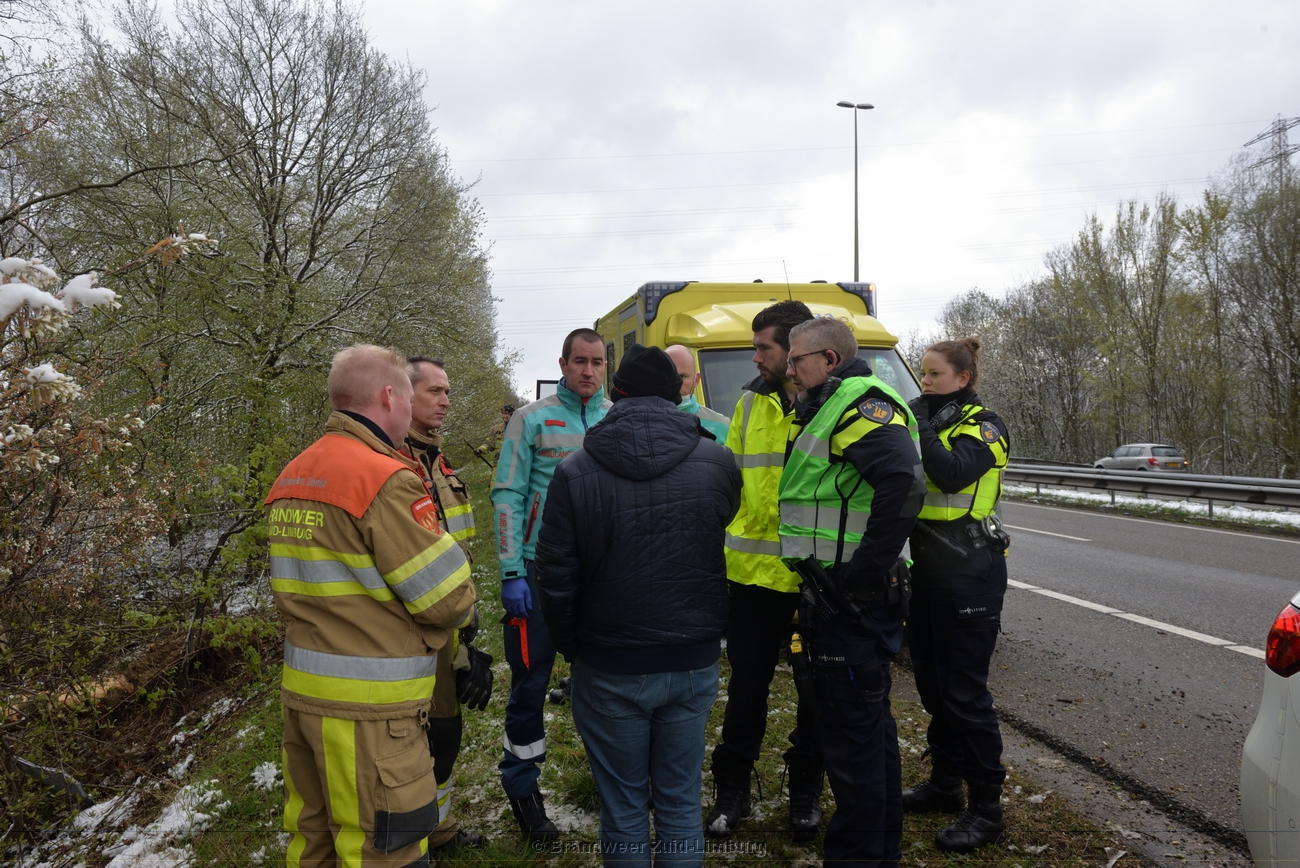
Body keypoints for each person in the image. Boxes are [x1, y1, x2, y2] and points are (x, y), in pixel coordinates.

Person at [266, 344, 477, 868]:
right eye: (409, 396)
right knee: (385, 851)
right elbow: (448, 600)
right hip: (373, 714)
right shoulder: (384, 478)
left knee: (313, 843)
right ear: (389, 396)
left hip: (304, 699)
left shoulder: (294, 473)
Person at [534, 344, 742, 867]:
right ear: (678, 394)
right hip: (690, 656)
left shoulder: (575, 470)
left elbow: (555, 575)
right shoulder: (718, 461)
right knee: (680, 801)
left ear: (615, 391)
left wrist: (574, 648)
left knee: (624, 807)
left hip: (610, 661)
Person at [777, 317, 925, 868]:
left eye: (797, 360)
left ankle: (858, 856)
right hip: (840, 594)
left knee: (851, 740)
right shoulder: (831, 403)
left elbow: (904, 482)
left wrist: (861, 574)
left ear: (829, 360)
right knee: (867, 731)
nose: (790, 370)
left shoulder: (861, 403)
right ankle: (878, 851)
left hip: (851, 600)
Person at [705, 300, 828, 841]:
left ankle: (805, 792)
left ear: (795, 347)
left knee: (814, 695)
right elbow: (728, 478)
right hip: (752, 576)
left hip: (812, 578)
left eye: (764, 348)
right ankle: (732, 790)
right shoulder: (749, 402)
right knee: (746, 690)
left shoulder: (831, 403)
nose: (755, 358)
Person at [491, 327, 611, 841]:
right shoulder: (530, 419)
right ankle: (523, 790)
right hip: (538, 575)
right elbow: (507, 495)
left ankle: (612, 785)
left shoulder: (615, 418)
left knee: (604, 686)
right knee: (530, 686)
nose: (589, 371)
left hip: (599, 579)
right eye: (580, 361)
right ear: (562, 365)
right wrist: (511, 571)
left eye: (598, 362)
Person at [901, 338, 1011, 853]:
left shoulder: (985, 426)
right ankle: (945, 784)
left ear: (963, 378)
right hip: (926, 565)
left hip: (970, 569)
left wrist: (920, 422)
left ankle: (987, 808)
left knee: (965, 693)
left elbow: (950, 473)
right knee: (932, 685)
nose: (924, 382)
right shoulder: (929, 421)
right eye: (922, 373)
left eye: (934, 374)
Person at [403, 356, 492, 852]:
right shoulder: (396, 462)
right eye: (434, 391)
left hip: (451, 614)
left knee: (446, 730)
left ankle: (438, 827)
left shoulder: (438, 458)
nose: (446, 401)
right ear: (404, 393)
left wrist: (466, 624)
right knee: (428, 732)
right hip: (416, 625)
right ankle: (418, 834)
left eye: (448, 392)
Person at [664, 344, 730, 441]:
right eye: (667, 376)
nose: (674, 384)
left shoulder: (721, 426)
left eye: (681, 377)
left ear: (696, 380)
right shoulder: (645, 420)